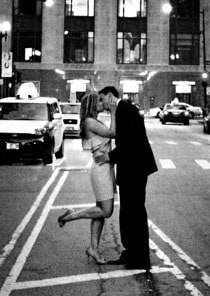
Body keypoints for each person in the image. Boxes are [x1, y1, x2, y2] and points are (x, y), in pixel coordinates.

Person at [99, 86, 157, 271]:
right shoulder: (122, 110)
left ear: (110, 96)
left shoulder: (126, 110)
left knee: (135, 213)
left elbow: (128, 142)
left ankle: (140, 258)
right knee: (128, 212)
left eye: (102, 99)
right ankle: (131, 252)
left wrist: (109, 157)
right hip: (131, 169)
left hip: (135, 169)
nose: (103, 105)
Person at [57, 91, 117, 264]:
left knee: (99, 211)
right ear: (91, 104)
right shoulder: (90, 122)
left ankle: (94, 248)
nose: (102, 103)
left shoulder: (93, 121)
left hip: (105, 167)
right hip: (101, 169)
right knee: (106, 211)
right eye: (99, 101)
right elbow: (113, 133)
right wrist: (113, 111)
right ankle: (70, 216)